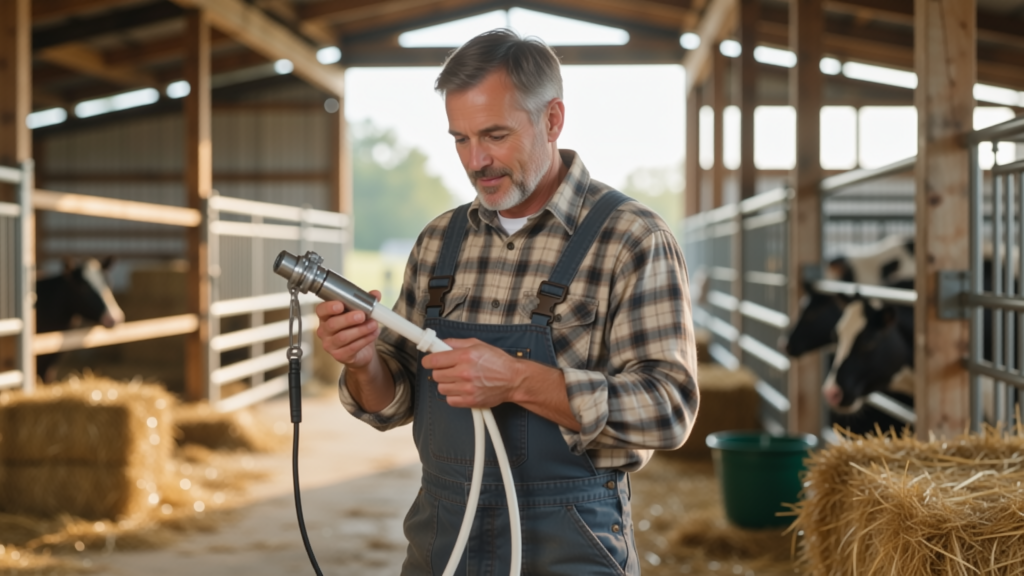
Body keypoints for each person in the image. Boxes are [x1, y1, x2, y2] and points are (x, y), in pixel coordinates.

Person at [316, 29, 699, 576]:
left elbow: (669, 408)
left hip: (571, 540)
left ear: (552, 119)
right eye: (460, 139)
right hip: (444, 535)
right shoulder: (438, 241)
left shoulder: (631, 238)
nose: (477, 161)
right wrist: (363, 362)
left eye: (494, 135)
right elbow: (392, 402)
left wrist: (519, 381)